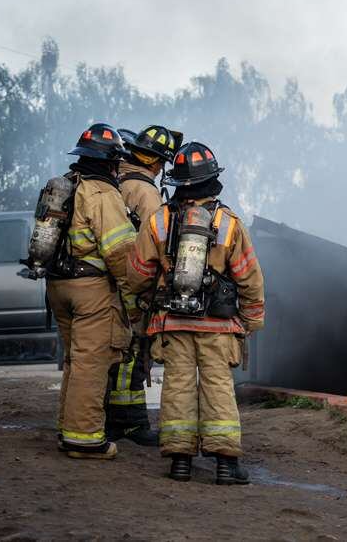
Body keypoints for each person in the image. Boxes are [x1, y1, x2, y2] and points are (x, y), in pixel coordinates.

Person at [126, 142, 265, 484]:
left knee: (177, 387)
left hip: (172, 322)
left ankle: (180, 462)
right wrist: (251, 319)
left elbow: (138, 275)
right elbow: (249, 277)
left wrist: (152, 295)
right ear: (212, 180)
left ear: (178, 183)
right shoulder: (228, 223)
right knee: (218, 387)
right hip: (218, 325)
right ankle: (226, 465)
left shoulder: (159, 220)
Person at [47, 123, 138, 459]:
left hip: (58, 286)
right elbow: (119, 253)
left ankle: (68, 429)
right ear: (111, 161)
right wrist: (133, 298)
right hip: (90, 290)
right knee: (91, 362)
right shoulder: (102, 193)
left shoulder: (68, 184)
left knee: (75, 359)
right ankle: (83, 439)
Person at [104, 125, 181, 447]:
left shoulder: (114, 181)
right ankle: (129, 422)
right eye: (162, 162)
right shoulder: (145, 191)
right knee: (133, 350)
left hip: (107, 281)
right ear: (155, 161)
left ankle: (114, 416)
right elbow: (158, 240)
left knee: (115, 349)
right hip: (134, 282)